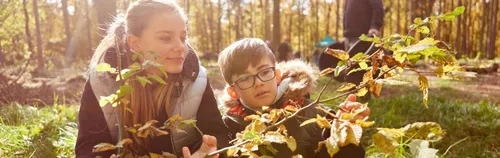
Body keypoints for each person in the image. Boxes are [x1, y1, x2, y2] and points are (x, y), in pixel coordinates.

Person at [75, 0, 228, 157]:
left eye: (183, 38)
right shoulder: (102, 82)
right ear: (135, 43)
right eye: (165, 38)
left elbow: (218, 135)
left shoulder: (196, 79)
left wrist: (205, 151)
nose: (180, 47)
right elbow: (88, 145)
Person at [217, 38, 369, 157]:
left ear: (276, 76)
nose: (258, 83)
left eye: (264, 72)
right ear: (233, 91)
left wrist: (343, 138)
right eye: (245, 78)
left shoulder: (316, 116)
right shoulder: (226, 131)